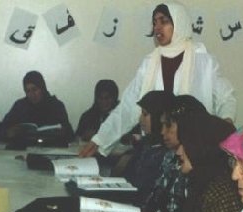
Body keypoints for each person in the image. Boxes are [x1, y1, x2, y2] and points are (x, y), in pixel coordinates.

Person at [80, 2, 235, 157]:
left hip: (194, 148)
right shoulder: (150, 63)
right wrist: (100, 140)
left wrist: (225, 123)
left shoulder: (203, 61)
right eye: (154, 23)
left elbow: (226, 97)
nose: (157, 28)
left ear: (179, 23)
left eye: (164, 21)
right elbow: (128, 106)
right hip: (156, 147)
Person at [144, 101, 240, 212]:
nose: (179, 152)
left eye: (187, 143)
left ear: (203, 147)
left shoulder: (221, 194)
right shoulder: (201, 183)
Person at [118, 90, 173, 201]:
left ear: (158, 117)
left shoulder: (166, 154)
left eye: (145, 114)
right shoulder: (147, 144)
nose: (140, 119)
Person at [0, 70, 74, 143]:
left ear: (42, 88)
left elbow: (70, 135)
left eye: (34, 89)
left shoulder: (56, 106)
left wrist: (62, 132)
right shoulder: (20, 106)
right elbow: (0, 131)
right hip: (25, 148)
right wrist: (8, 133)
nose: (32, 95)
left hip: (51, 148)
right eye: (28, 91)